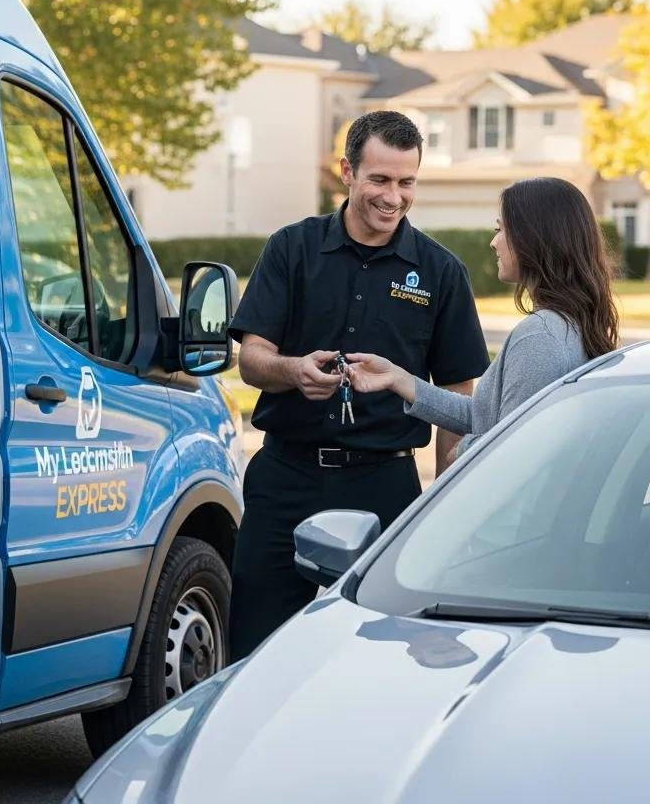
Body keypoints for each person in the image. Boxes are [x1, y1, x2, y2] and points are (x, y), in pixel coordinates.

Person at [227, 110, 489, 660]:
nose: (393, 197)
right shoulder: (291, 249)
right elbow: (251, 358)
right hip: (285, 478)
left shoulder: (441, 273)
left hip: (386, 485)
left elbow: (458, 395)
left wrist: (445, 505)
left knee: (388, 651)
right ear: (347, 171)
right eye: (380, 179)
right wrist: (292, 371)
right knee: (257, 647)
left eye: (406, 182)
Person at [347, 177, 618, 463]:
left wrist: (462, 452)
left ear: (533, 238)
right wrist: (398, 379)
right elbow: (484, 414)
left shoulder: (540, 336)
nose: (493, 242)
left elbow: (514, 448)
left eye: (501, 230)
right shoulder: (569, 324)